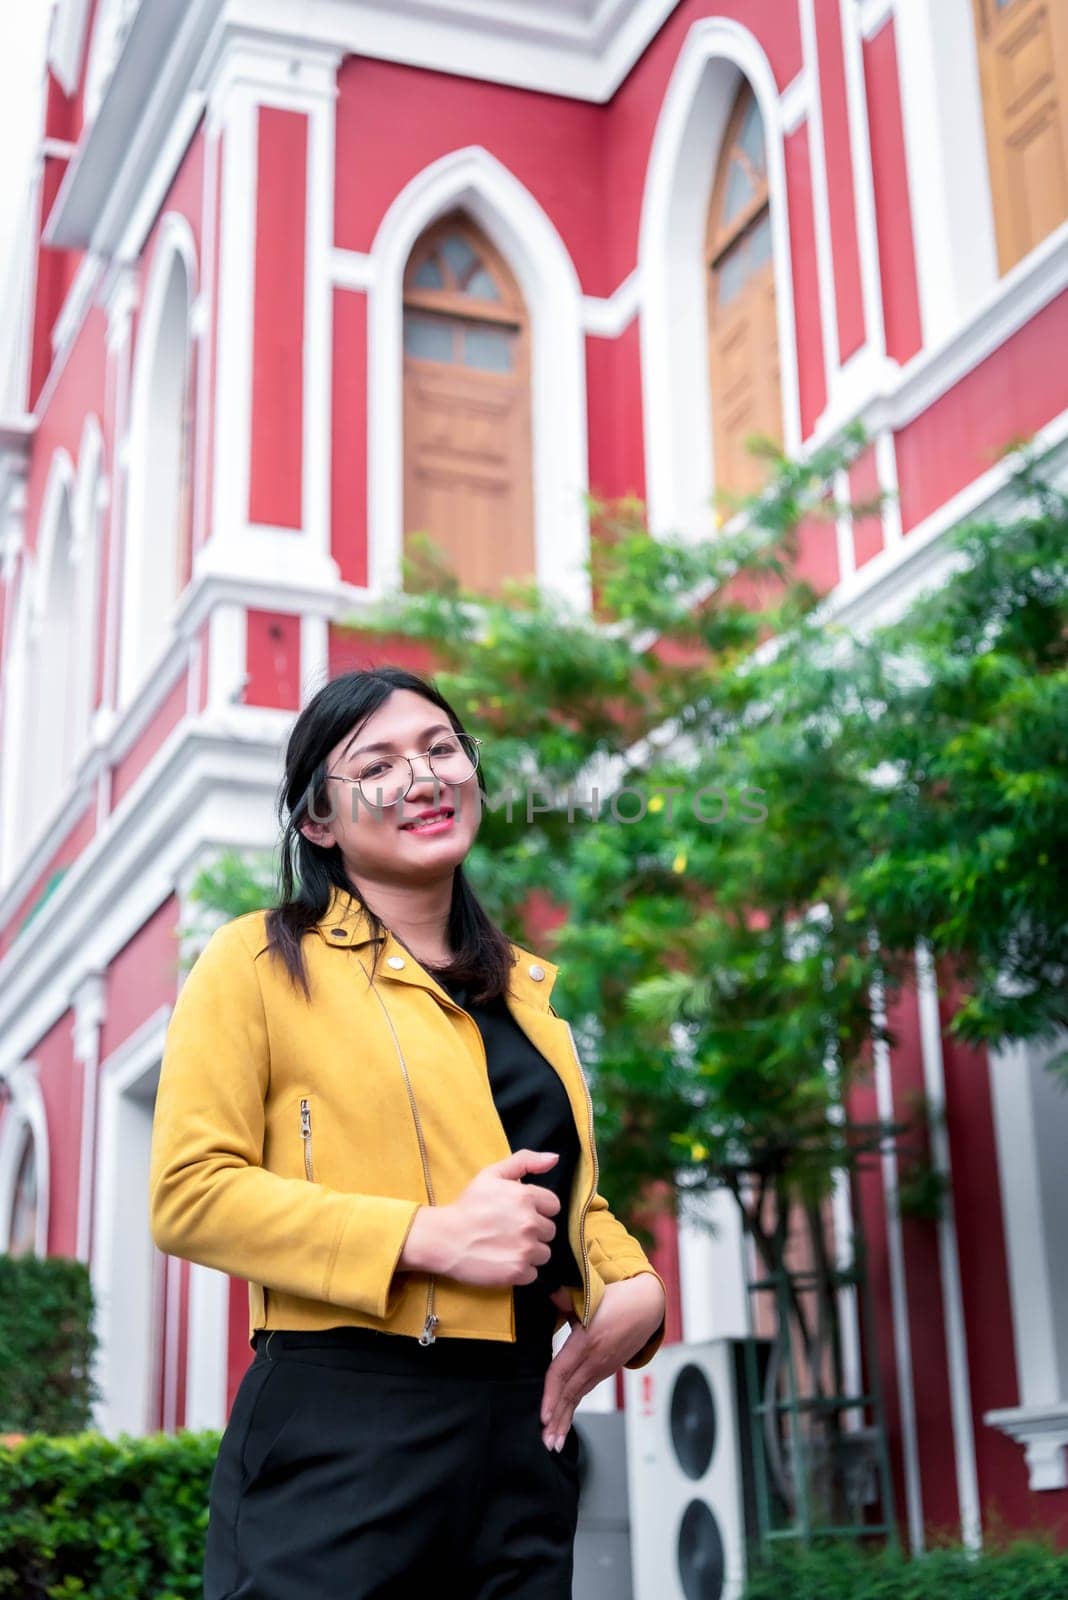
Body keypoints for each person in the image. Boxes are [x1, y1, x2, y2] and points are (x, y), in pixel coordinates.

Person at [149, 665, 667, 1599]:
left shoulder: (526, 993)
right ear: (318, 821)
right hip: (343, 1424)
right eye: (377, 765)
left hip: (522, 1433)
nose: (424, 778)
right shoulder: (257, 963)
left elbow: (558, 1193)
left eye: (441, 750)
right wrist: (426, 1237)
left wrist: (631, 1286)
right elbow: (190, 1194)